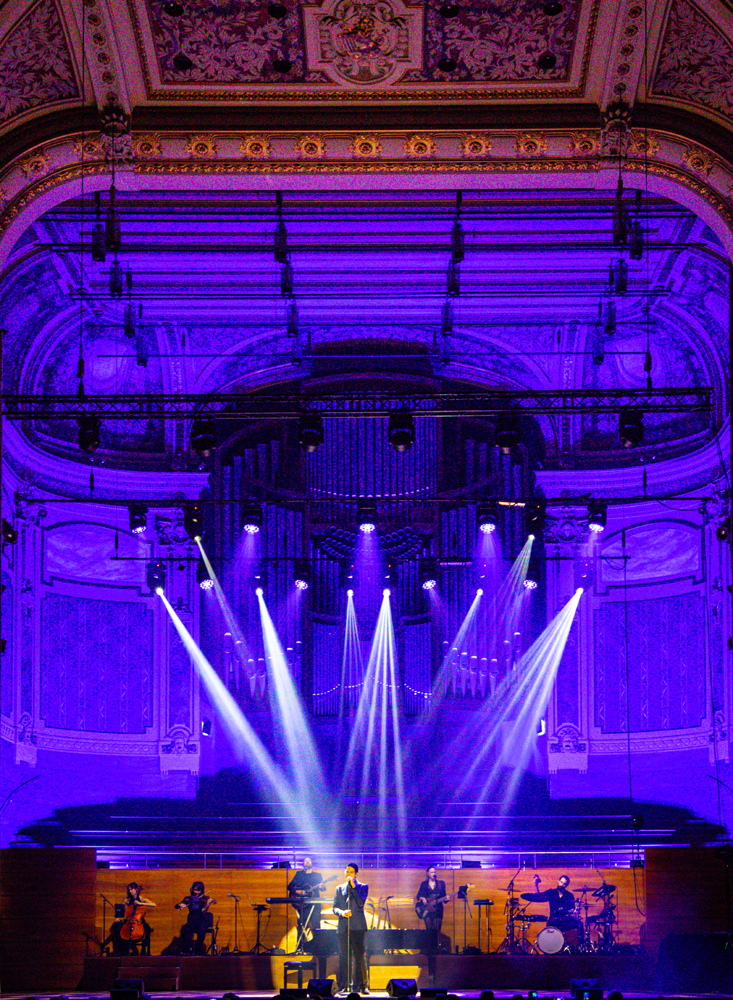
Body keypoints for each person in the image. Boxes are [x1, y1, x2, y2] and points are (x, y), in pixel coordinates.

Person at [333, 862, 369, 995]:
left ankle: (363, 985)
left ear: (356, 874)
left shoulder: (363, 887)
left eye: (351, 872)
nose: (348, 874)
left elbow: (360, 902)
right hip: (344, 927)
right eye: (347, 871)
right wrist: (342, 912)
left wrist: (353, 887)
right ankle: (345, 985)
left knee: (359, 957)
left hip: (358, 927)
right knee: (345, 957)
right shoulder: (339, 889)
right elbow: (334, 907)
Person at [520, 874, 583, 945]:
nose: (562, 885)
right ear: (558, 881)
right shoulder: (551, 892)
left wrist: (569, 911)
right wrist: (536, 885)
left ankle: (581, 945)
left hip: (565, 920)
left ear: (566, 885)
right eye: (561, 882)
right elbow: (538, 897)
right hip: (553, 920)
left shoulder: (569, 895)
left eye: (564, 884)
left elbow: (572, 909)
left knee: (579, 923)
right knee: (549, 933)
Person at [288, 857, 325, 950]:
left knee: (316, 925)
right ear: (303, 864)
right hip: (303, 905)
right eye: (305, 860)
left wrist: (322, 886)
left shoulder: (317, 875)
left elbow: (323, 889)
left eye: (309, 860)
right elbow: (290, 886)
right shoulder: (299, 874)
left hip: (315, 904)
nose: (307, 862)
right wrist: (298, 892)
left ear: (312, 863)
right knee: (301, 925)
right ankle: (299, 948)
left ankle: (318, 948)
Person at [110, 882, 156, 955]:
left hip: (139, 921)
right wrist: (118, 917)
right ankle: (120, 951)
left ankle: (143, 949)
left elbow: (154, 904)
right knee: (118, 930)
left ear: (136, 889)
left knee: (147, 929)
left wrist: (140, 903)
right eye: (129, 890)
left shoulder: (141, 899)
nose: (130, 891)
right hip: (129, 921)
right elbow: (120, 910)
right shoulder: (127, 900)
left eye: (132, 889)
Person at [175, 881, 216, 954]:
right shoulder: (189, 899)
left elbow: (203, 912)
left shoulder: (204, 899)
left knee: (202, 930)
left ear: (201, 891)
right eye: (195, 890)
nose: (196, 892)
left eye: (198, 890)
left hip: (200, 920)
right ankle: (188, 949)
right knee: (186, 930)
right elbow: (177, 906)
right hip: (191, 920)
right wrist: (179, 905)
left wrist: (208, 904)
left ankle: (197, 950)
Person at [415, 865, 447, 948]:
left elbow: (444, 897)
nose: (434, 874)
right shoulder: (424, 884)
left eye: (434, 872)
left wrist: (447, 899)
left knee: (437, 929)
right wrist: (422, 898)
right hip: (427, 910)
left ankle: (437, 948)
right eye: (432, 872)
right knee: (429, 929)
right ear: (428, 874)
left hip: (438, 909)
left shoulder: (441, 884)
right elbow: (418, 896)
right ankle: (429, 948)